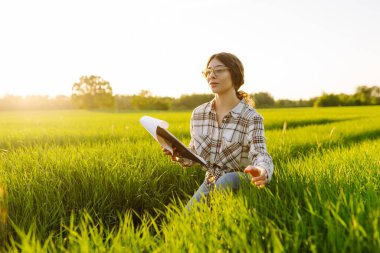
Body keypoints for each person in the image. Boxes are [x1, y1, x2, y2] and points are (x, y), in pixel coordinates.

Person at [163, 52, 274, 210]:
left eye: (219, 70)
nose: (211, 75)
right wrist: (179, 154)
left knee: (226, 182)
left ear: (234, 74)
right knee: (184, 223)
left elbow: (261, 154)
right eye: (208, 72)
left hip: (239, 178)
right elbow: (195, 154)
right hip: (210, 180)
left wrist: (262, 170)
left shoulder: (251, 117)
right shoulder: (198, 114)